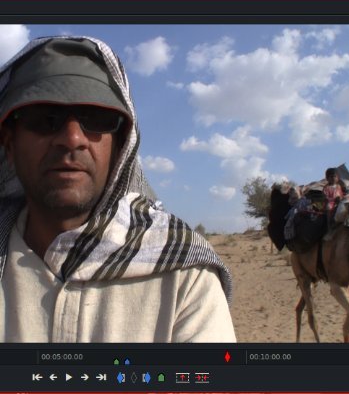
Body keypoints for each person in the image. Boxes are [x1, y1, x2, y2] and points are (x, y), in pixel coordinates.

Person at [0, 36, 236, 343]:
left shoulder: (184, 277)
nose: (72, 139)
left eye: (97, 118)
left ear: (121, 145)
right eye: (45, 118)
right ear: (9, 143)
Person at [323, 167, 344, 235]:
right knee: (328, 208)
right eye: (331, 177)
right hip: (330, 203)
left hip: (338, 202)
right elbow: (325, 197)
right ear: (327, 178)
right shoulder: (326, 187)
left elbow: (341, 195)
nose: (333, 178)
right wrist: (334, 199)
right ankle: (329, 228)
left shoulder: (339, 187)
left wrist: (340, 199)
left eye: (335, 176)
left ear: (337, 177)